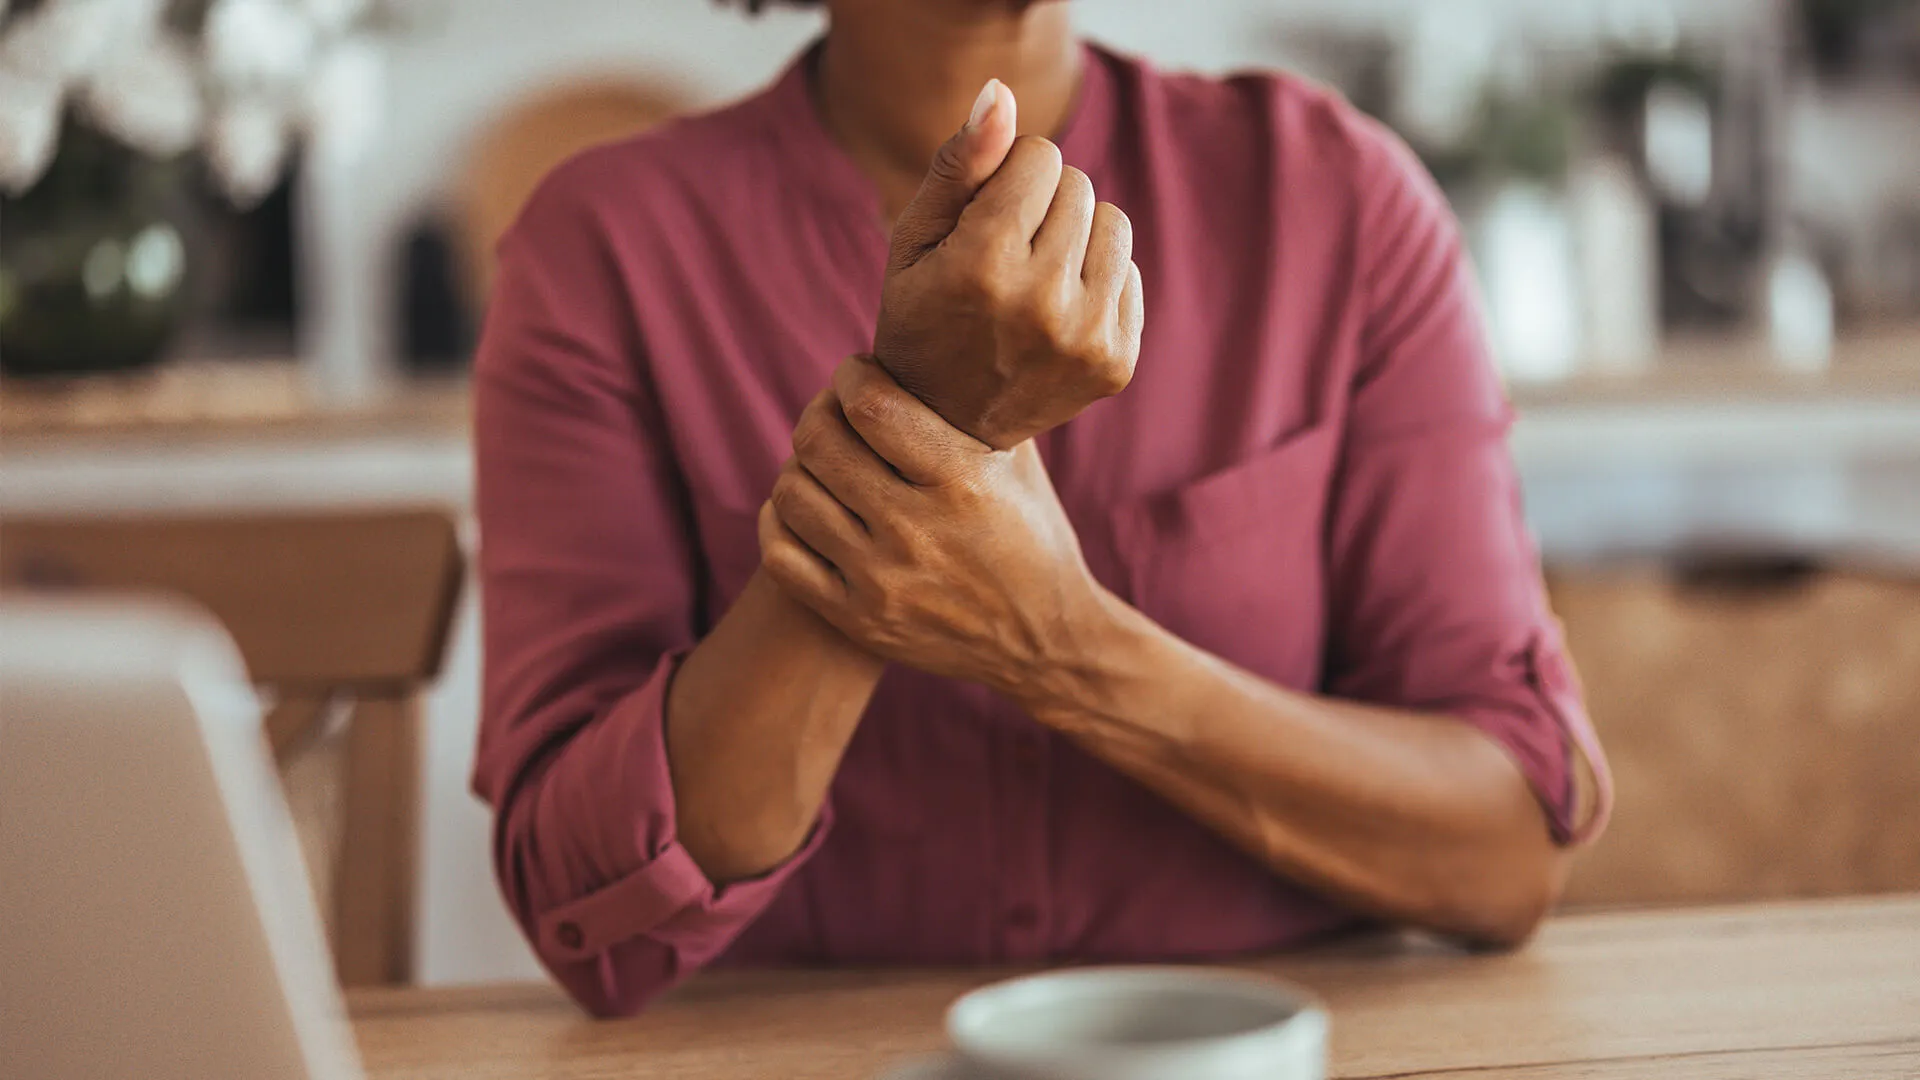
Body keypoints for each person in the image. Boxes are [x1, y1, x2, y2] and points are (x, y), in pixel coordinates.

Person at [472, 0, 1613, 1018]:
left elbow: (1505, 849)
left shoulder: (1336, 201)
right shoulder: (603, 249)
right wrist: (930, 410)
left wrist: (1067, 645)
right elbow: (587, 911)